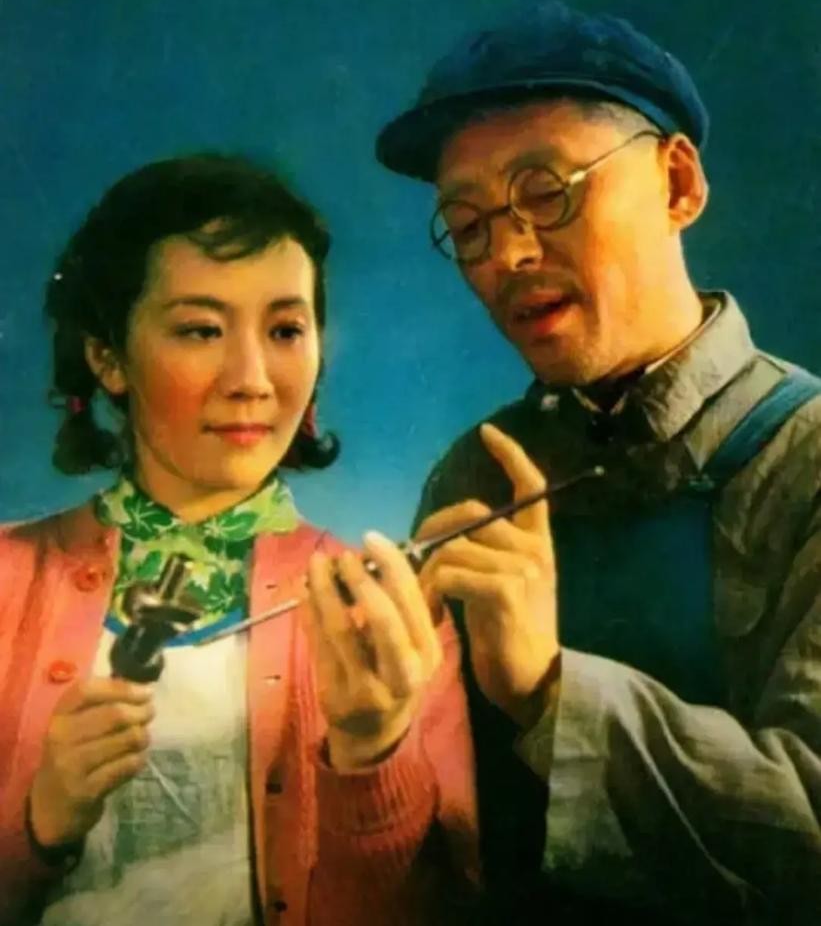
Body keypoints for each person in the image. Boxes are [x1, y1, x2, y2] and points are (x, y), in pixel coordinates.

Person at [375, 0, 821, 924]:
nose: (507, 253)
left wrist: (548, 690)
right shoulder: (473, 476)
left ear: (677, 183)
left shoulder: (805, 459)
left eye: (546, 193)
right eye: (466, 224)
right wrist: (368, 733)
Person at [0, 154, 479, 926]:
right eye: (200, 329)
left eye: (285, 329)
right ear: (107, 356)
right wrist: (36, 825)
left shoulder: (391, 609)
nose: (252, 378)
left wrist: (370, 754)